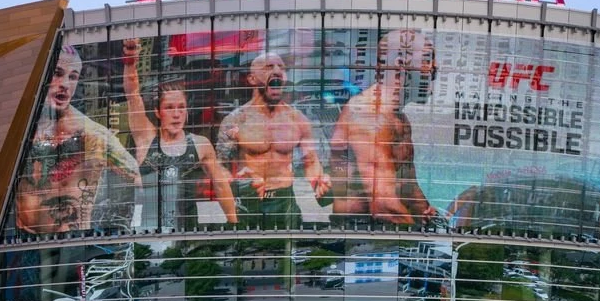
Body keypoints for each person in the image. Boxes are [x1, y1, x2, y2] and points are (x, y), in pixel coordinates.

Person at [14, 44, 142, 236]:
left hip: (73, 240)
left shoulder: (92, 135)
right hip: (22, 240)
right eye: (57, 73)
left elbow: (135, 177)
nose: (65, 84)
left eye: (73, 77)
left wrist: (126, 228)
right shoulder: (19, 131)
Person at [329, 27, 442, 225]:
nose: (434, 67)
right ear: (400, 64)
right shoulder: (369, 115)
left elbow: (409, 187)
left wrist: (429, 218)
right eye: (426, 59)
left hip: (382, 228)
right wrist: (422, 235)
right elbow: (383, 207)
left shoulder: (399, 119)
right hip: (360, 232)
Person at [122, 40, 238, 230]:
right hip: (147, 233)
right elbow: (133, 95)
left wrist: (234, 225)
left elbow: (221, 186)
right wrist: (130, 60)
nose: (176, 114)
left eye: (181, 107)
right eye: (169, 108)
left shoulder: (200, 144)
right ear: (158, 112)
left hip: (187, 234)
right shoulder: (146, 138)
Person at [215, 50, 332, 228]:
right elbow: (220, 168)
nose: (277, 71)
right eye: (269, 67)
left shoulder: (297, 119)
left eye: (281, 68)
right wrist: (239, 180)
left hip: (285, 202)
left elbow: (311, 161)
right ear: (252, 79)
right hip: (248, 201)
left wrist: (319, 182)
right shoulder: (236, 120)